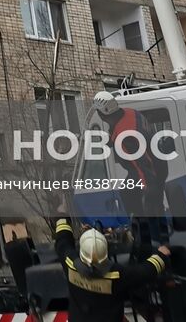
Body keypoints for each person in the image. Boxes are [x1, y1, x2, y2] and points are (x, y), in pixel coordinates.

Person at [92, 91, 171, 247]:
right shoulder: (130, 113)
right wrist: (111, 141)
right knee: (129, 193)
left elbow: (142, 162)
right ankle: (147, 233)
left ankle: (157, 242)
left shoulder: (126, 135)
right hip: (159, 162)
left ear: (102, 114)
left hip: (149, 171)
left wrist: (149, 186)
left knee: (150, 204)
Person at [57, 224, 170, 322]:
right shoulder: (117, 276)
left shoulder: (70, 264)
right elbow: (145, 272)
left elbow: (62, 242)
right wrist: (161, 256)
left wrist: (62, 215)